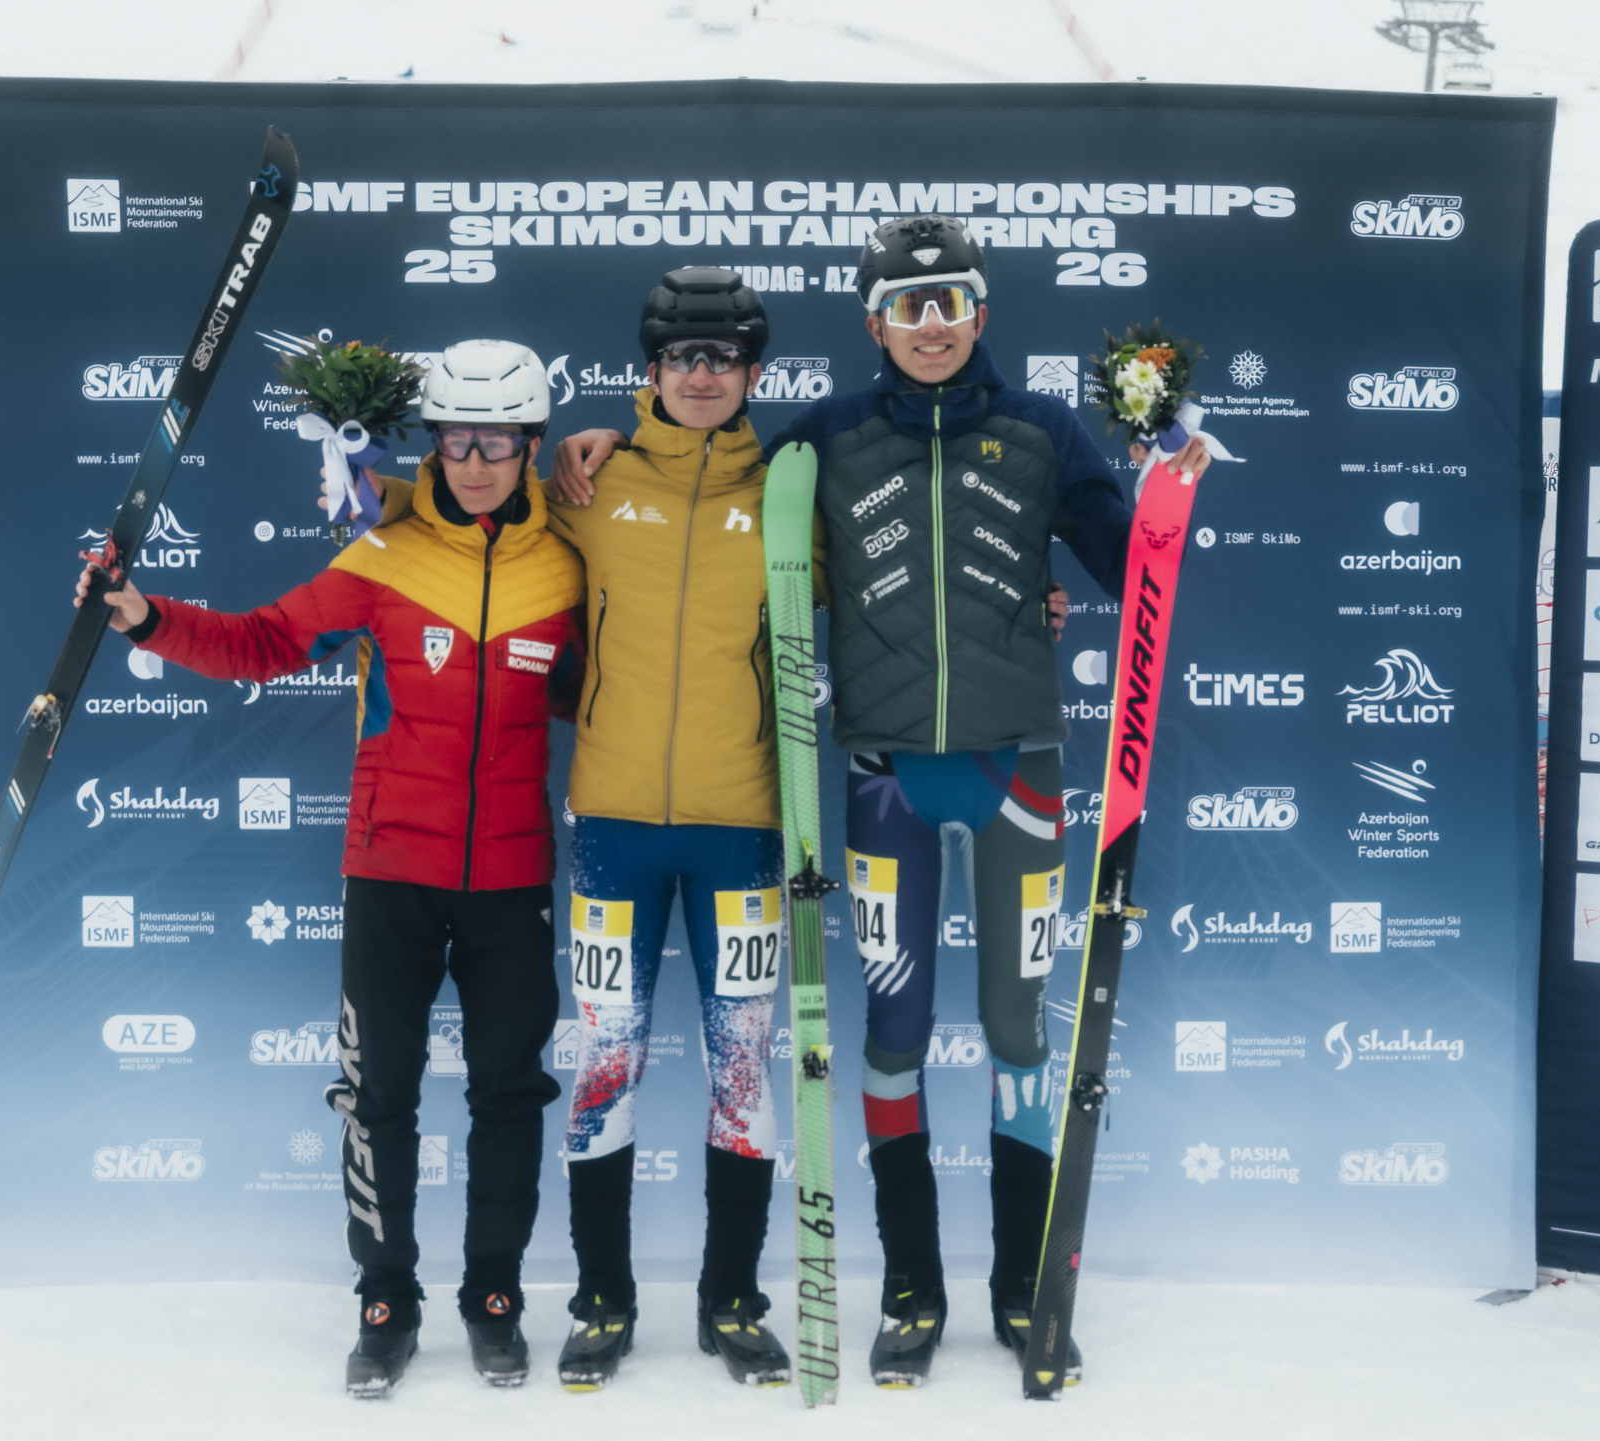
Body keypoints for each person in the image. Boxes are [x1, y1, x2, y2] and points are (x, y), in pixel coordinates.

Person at [560, 215, 1212, 1390]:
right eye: (908, 307)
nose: (931, 325)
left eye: (950, 301)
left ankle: (1024, 1288)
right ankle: (914, 1287)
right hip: (884, 779)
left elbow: (1131, 564)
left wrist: (1162, 478)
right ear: (873, 323)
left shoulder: (1044, 429)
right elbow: (713, 495)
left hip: (1019, 772)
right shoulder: (823, 441)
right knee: (897, 1035)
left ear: (981, 312)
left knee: (1019, 1031)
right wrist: (606, 439)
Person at [77, 340, 583, 1397]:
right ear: (433, 442)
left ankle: (494, 1297)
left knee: (510, 1095)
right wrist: (148, 617)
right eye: (457, 440)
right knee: (379, 1095)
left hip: (512, 879)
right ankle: (385, 1301)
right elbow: (264, 642)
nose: (475, 462)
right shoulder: (383, 556)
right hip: (391, 871)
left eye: (498, 442)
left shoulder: (570, 564)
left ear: (531, 446)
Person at [365, 269, 793, 1391]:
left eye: (724, 357)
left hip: (744, 824)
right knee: (604, 1063)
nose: (702, 375)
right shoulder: (587, 487)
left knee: (742, 1069)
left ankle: (733, 1299)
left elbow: (891, 603)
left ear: (754, 372)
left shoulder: (792, 491)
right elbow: (463, 514)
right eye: (682, 356)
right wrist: (358, 477)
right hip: (610, 825)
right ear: (651, 369)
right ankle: (604, 1297)